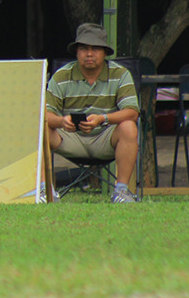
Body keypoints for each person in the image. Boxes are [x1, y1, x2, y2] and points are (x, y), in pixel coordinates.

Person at [45, 22, 139, 203]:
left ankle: (121, 192)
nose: (89, 54)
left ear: (105, 53)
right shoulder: (61, 75)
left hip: (106, 137)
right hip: (70, 137)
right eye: (83, 48)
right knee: (41, 129)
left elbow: (132, 112)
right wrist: (62, 121)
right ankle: (45, 191)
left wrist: (102, 119)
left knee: (129, 127)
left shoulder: (121, 74)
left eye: (95, 48)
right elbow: (45, 115)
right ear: (76, 52)